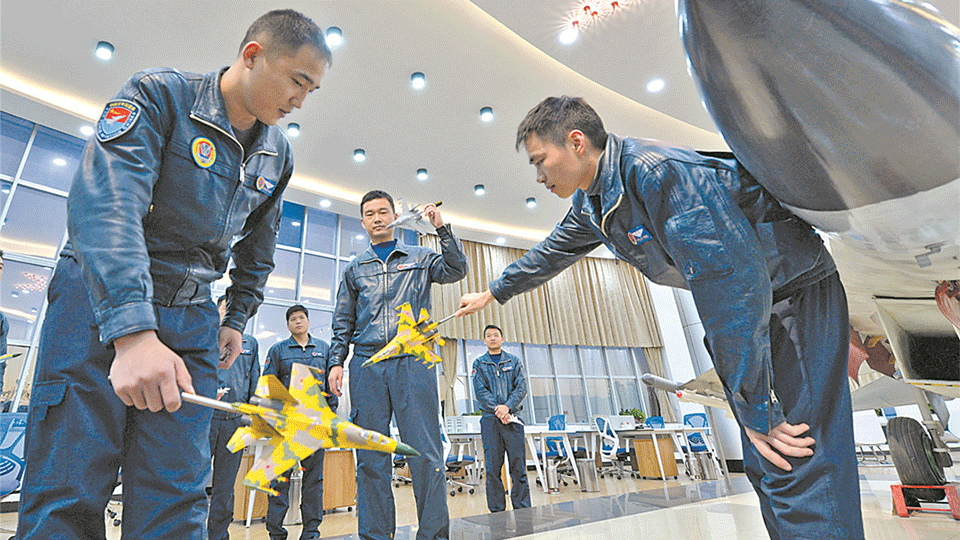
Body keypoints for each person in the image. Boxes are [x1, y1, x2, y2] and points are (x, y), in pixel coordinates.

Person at [456, 96, 863, 540]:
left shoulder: (656, 172)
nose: (538, 176)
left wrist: (754, 406)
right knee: (766, 465)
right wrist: (494, 291)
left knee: (797, 461)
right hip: (751, 307)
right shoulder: (594, 203)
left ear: (576, 142)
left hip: (789, 295)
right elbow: (551, 252)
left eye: (540, 161)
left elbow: (729, 285)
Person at [16, 10, 332, 539]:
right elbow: (106, 207)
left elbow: (258, 246)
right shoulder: (160, 96)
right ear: (252, 55)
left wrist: (237, 318)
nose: (301, 100)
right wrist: (133, 332)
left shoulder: (278, 154)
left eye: (312, 90)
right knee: (67, 490)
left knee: (178, 494)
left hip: (191, 319)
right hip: (96, 302)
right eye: (298, 81)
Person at [327, 190, 468, 540]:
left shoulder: (420, 257)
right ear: (362, 222)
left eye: (383, 212)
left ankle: (434, 534)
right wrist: (336, 362)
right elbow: (343, 319)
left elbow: (457, 269)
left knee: (425, 452)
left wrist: (441, 228)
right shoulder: (355, 269)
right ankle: (375, 535)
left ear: (394, 216)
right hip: (367, 363)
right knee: (371, 457)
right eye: (370, 213)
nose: (377, 218)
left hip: (413, 361)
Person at [262, 305, 334, 540]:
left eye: (301, 318)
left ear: (308, 321)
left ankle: (311, 532)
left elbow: (330, 391)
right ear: (288, 325)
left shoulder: (324, 349)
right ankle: (276, 532)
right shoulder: (278, 350)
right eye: (293, 319)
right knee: (278, 481)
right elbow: (268, 386)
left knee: (313, 482)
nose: (298, 322)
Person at [208, 296, 261, 540]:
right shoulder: (205, 337)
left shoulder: (250, 343)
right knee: (194, 481)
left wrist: (251, 414)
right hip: (205, 419)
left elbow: (253, 381)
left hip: (234, 422)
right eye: (225, 308)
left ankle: (218, 535)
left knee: (225, 485)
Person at [471, 324, 530, 513]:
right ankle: (496, 511)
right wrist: (498, 410)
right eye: (489, 336)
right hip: (490, 422)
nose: (493, 338)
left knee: (518, 466)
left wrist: (507, 408)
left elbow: (521, 388)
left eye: (496, 335)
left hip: (513, 420)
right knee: (492, 469)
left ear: (502, 339)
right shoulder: (479, 364)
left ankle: (522, 509)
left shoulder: (514, 361)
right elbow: (480, 391)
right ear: (484, 341)